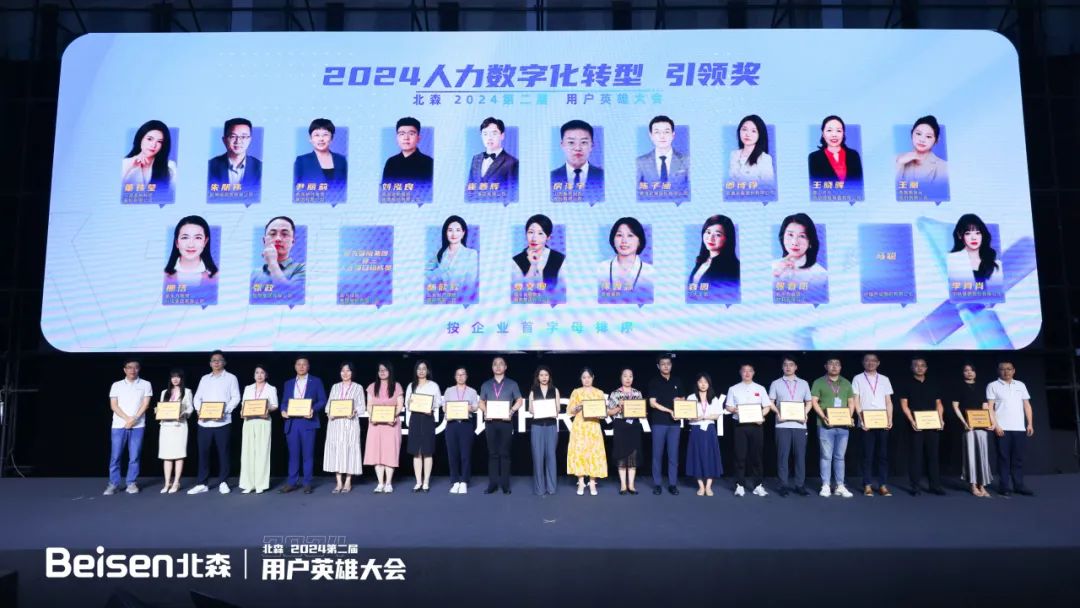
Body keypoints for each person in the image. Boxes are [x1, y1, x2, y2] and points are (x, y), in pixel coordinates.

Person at [188, 350, 241, 495]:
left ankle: (223, 482)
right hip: (204, 423)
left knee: (223, 453)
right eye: (213, 360)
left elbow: (236, 397)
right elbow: (197, 397)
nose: (216, 362)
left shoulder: (231, 378)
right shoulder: (205, 378)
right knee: (203, 453)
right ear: (210, 363)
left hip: (222, 422)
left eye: (219, 360)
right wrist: (199, 410)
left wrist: (224, 411)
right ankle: (202, 483)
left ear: (224, 362)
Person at [986, 360, 1035, 497]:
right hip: (1002, 428)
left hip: (1019, 428)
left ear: (1014, 371)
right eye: (1003, 369)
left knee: (1018, 459)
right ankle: (1004, 486)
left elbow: (1027, 405)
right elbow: (990, 407)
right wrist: (996, 425)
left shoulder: (1020, 385)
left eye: (1009, 369)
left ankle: (1019, 485)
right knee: (1003, 458)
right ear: (998, 371)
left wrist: (1030, 423)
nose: (1006, 371)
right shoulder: (993, 385)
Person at [898, 357, 946, 496]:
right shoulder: (906, 384)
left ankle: (935, 486)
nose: (919, 368)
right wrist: (912, 420)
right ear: (911, 368)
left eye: (922, 365)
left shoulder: (933, 383)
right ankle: (915, 486)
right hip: (915, 425)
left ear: (926, 368)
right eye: (916, 365)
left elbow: (938, 404)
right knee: (916, 456)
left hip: (932, 424)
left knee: (933, 456)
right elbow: (904, 405)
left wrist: (940, 419)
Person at [104, 359, 152, 496]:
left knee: (134, 456)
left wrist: (134, 419)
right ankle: (113, 484)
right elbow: (113, 405)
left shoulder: (146, 384)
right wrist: (127, 419)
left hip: (138, 426)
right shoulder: (116, 385)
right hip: (119, 425)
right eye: (129, 367)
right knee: (115, 456)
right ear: (124, 369)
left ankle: (131, 483)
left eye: (135, 367)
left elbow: (146, 404)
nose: (132, 370)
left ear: (139, 369)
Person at [280, 357, 327, 495]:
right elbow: (284, 402)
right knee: (293, 455)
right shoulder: (288, 383)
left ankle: (307, 483)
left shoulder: (316, 381)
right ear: (295, 366)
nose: (301, 367)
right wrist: (283, 410)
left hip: (308, 422)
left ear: (308, 366)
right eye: (298, 364)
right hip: (292, 422)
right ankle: (291, 482)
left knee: (308, 454)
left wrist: (313, 409)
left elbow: (322, 400)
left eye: (304, 364)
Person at [810, 357, 856, 498]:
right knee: (826, 456)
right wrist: (823, 417)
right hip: (825, 425)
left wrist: (849, 417)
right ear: (826, 366)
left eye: (837, 364)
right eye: (831, 364)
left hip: (843, 426)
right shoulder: (819, 382)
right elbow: (814, 401)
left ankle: (840, 485)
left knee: (840, 457)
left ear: (840, 367)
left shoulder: (846, 383)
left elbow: (851, 402)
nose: (834, 366)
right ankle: (825, 485)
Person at [767, 357, 813, 497]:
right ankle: (783, 485)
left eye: (791, 365)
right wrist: (778, 412)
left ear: (796, 367)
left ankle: (800, 485)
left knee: (800, 456)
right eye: (785, 365)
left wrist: (804, 413)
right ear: (782, 367)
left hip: (800, 425)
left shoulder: (804, 383)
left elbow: (809, 402)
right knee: (783, 456)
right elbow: (770, 402)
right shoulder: (776, 383)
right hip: (782, 425)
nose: (788, 367)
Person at [478, 356, 523, 494]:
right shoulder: (486, 384)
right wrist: (486, 411)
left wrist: (512, 411)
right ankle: (492, 484)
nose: (498, 366)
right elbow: (481, 402)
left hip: (506, 422)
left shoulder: (512, 384)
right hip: (490, 423)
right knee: (492, 454)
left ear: (505, 367)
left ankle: (505, 485)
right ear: (492, 367)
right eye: (495, 364)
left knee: (505, 453)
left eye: (501, 364)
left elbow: (519, 400)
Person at [852, 353, 894, 497]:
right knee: (867, 455)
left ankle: (883, 485)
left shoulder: (884, 379)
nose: (870, 363)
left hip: (882, 422)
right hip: (866, 423)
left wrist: (890, 419)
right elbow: (856, 401)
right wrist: (861, 419)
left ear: (878, 363)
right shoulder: (858, 378)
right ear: (863, 363)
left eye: (873, 361)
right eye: (867, 360)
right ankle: (867, 485)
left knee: (883, 456)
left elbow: (888, 401)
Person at [727, 364, 772, 497]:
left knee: (756, 456)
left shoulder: (760, 388)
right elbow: (728, 406)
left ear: (753, 373)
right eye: (744, 371)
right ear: (740, 373)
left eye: (749, 371)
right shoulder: (733, 388)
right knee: (739, 456)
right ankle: (739, 485)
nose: (747, 373)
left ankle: (758, 485)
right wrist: (735, 410)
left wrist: (761, 416)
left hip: (756, 426)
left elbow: (767, 406)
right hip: (740, 426)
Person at [951, 363, 994, 497]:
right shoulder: (959, 386)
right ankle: (973, 485)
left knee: (983, 455)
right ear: (963, 373)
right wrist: (964, 422)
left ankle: (983, 485)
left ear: (975, 372)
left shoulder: (981, 387)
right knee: (970, 456)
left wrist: (989, 421)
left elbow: (985, 406)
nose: (969, 372)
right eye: (966, 370)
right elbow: (955, 406)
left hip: (982, 425)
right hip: (968, 426)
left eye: (971, 370)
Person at [324, 362, 365, 494]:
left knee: (350, 451)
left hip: (350, 423)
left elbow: (362, 407)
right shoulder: (335, 387)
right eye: (343, 371)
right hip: (335, 424)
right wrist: (329, 413)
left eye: (348, 371)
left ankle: (348, 481)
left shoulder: (358, 387)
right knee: (336, 451)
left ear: (352, 372)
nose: (345, 373)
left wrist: (354, 411)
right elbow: (328, 405)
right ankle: (338, 482)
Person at [566, 368, 608, 496]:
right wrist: (577, 408)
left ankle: (592, 482)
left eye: (589, 377)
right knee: (579, 453)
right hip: (579, 427)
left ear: (593, 378)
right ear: (581, 379)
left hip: (593, 426)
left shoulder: (599, 392)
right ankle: (581, 481)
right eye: (584, 377)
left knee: (594, 453)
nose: (587, 380)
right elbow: (569, 411)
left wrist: (601, 413)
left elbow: (603, 412)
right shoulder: (576, 392)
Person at [364, 362, 404, 493]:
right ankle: (380, 483)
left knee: (390, 453)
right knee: (377, 453)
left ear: (390, 371)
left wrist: (392, 416)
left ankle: (388, 483)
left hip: (391, 425)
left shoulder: (396, 386)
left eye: (385, 370)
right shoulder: (372, 387)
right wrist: (372, 416)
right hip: (375, 425)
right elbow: (369, 405)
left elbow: (400, 405)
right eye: (380, 370)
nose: (382, 372)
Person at [647, 354, 683, 495]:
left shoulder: (677, 380)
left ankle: (672, 484)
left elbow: (683, 398)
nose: (666, 366)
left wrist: (680, 400)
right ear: (658, 366)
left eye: (668, 363)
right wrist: (669, 410)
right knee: (657, 455)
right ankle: (657, 484)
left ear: (671, 365)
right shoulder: (654, 382)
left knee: (673, 455)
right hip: (659, 422)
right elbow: (652, 403)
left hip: (674, 423)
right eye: (663, 364)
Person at [238, 365, 277, 494]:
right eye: (257, 372)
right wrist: (242, 412)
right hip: (249, 422)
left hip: (263, 421)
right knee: (247, 452)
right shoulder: (248, 388)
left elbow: (275, 405)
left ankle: (261, 484)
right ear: (254, 375)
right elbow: (244, 404)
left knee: (262, 452)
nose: (259, 375)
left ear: (266, 375)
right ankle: (248, 484)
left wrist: (266, 409)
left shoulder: (271, 388)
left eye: (262, 373)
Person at [596, 217, 655, 299]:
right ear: (613, 239)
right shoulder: (600, 268)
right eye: (619, 235)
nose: (624, 241)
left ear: (639, 241)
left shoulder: (650, 272)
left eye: (630, 235)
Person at [405, 360, 442, 493]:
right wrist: (410, 403)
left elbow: (439, 401)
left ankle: (426, 482)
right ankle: (418, 482)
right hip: (415, 419)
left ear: (428, 371)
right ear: (416, 371)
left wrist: (430, 407)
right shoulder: (411, 385)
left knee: (427, 451)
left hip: (427, 418)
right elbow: (407, 403)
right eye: (419, 369)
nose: (421, 371)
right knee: (416, 452)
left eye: (424, 368)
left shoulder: (433, 385)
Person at [685, 373, 724, 497]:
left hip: (709, 429)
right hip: (696, 429)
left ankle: (708, 486)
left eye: (705, 382)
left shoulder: (714, 398)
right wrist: (695, 417)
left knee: (710, 456)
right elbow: (687, 415)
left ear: (709, 384)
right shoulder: (691, 397)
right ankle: (701, 486)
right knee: (697, 456)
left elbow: (717, 415)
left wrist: (705, 416)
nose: (703, 384)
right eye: (700, 382)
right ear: (697, 383)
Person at [607, 368, 644, 495]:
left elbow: (640, 410)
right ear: (621, 378)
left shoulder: (637, 393)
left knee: (633, 455)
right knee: (621, 455)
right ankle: (623, 485)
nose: (628, 378)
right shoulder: (615, 394)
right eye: (625, 376)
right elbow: (609, 412)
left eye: (630, 376)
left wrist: (642, 412)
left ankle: (631, 485)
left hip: (634, 426)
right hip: (620, 426)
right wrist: (619, 406)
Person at [443, 367, 479, 494]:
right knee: (452, 454)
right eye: (458, 374)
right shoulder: (449, 391)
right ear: (455, 377)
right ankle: (455, 481)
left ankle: (464, 481)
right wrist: (448, 409)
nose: (460, 376)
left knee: (465, 454)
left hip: (465, 425)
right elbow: (444, 407)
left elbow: (476, 406)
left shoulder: (472, 391)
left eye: (463, 374)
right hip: (452, 424)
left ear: (466, 376)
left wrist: (470, 408)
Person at [156, 369, 193, 494]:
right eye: (173, 377)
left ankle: (176, 482)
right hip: (166, 426)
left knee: (178, 454)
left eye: (178, 377)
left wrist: (184, 413)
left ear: (181, 379)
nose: (175, 379)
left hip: (179, 426)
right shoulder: (164, 392)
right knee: (166, 455)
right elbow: (162, 407)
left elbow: (190, 407)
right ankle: (167, 483)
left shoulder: (187, 391)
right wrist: (158, 411)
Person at [426, 215, 479, 300]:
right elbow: (428, 272)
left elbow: (471, 282)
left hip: (461, 299)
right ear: (445, 233)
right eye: (450, 230)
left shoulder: (471, 254)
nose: (454, 234)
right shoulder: (441, 253)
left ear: (463, 233)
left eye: (458, 230)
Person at [550, 119, 604, 201]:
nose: (578, 148)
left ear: (592, 145)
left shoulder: (602, 176)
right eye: (571, 142)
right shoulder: (552, 176)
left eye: (584, 142)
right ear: (562, 145)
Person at [528, 365, 561, 496]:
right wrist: (539, 409)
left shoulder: (555, 390)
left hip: (551, 426)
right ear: (538, 377)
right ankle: (539, 489)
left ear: (549, 377)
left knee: (551, 457)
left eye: (546, 375)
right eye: (541, 375)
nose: (544, 377)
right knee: (538, 457)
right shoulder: (533, 390)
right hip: (537, 427)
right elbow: (530, 409)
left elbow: (558, 409)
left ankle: (551, 488)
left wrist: (551, 410)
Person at [466, 116, 518, 197]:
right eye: (485, 134)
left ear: (502, 136)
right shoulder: (476, 159)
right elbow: (469, 188)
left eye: (494, 133)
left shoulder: (512, 162)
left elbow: (512, 193)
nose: (489, 138)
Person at [207, 117, 262, 193]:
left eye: (243, 137)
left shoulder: (260, 168)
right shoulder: (210, 166)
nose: (238, 141)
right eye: (233, 136)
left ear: (250, 140)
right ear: (224, 140)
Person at [636, 115, 689, 192]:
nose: (662, 136)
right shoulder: (640, 162)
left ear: (673, 135)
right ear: (651, 136)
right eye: (657, 132)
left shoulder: (686, 160)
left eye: (666, 132)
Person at [511, 214, 565, 288]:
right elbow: (519, 289)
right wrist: (533, 265)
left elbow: (562, 289)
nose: (534, 238)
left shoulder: (559, 259)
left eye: (540, 233)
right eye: (531, 232)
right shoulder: (516, 260)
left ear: (548, 237)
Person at [772, 213, 827, 287]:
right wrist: (776, 273)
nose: (795, 242)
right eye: (790, 235)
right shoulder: (773, 266)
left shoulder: (820, 274)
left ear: (810, 241)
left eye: (802, 236)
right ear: (783, 237)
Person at [164, 215, 219, 288]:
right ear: (177, 242)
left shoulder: (216, 277)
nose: (191, 245)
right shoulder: (164, 276)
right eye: (185, 237)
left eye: (198, 238)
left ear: (205, 242)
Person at [293, 118, 348, 191]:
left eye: (325, 134)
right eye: (316, 135)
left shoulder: (341, 160)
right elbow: (296, 189)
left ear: (331, 138)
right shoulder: (301, 161)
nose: (321, 139)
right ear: (310, 138)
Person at [688, 215, 740, 291]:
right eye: (708, 232)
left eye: (718, 235)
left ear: (727, 238)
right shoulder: (703, 260)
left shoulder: (732, 268)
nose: (710, 238)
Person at [807, 114, 863, 184]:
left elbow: (859, 184)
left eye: (838, 131)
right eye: (829, 130)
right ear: (823, 134)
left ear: (843, 134)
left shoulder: (854, 155)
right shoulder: (814, 158)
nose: (834, 135)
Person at [947, 214, 1001, 285]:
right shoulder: (952, 260)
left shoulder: (995, 264)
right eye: (968, 233)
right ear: (960, 235)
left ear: (982, 235)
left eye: (977, 233)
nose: (973, 238)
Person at [122, 120, 175, 190]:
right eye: (149, 139)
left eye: (159, 141)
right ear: (140, 139)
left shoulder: (170, 166)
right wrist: (129, 166)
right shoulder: (125, 163)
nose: (153, 145)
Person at [895, 115, 947, 187]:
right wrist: (899, 163)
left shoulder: (942, 166)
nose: (922, 140)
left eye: (928, 136)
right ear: (912, 134)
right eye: (918, 134)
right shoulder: (898, 159)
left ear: (936, 140)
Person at [252, 216, 305, 286]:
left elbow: (288, 291)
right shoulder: (254, 274)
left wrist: (272, 263)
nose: (278, 239)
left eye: (284, 234)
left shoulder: (301, 269)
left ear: (292, 242)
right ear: (264, 241)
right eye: (273, 234)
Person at [381, 116, 433, 187]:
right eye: (402, 134)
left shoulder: (429, 163)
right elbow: (385, 189)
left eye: (411, 134)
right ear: (397, 138)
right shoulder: (391, 162)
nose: (406, 138)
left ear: (418, 138)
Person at [728, 114, 774, 187]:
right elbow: (731, 181)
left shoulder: (765, 158)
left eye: (753, 131)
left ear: (760, 134)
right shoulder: (734, 154)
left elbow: (768, 186)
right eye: (744, 129)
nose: (747, 134)